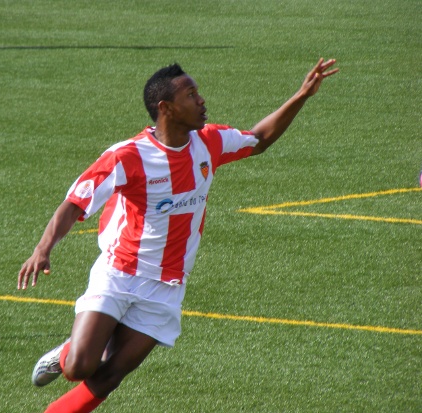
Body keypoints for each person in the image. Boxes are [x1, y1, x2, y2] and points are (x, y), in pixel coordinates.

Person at [17, 58, 338, 413]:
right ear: (166, 108)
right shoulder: (127, 156)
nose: (201, 100)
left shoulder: (209, 142)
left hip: (167, 286)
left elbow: (259, 139)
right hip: (119, 273)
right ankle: (67, 351)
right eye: (191, 94)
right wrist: (43, 249)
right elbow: (75, 203)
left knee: (109, 377)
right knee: (79, 367)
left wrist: (302, 94)